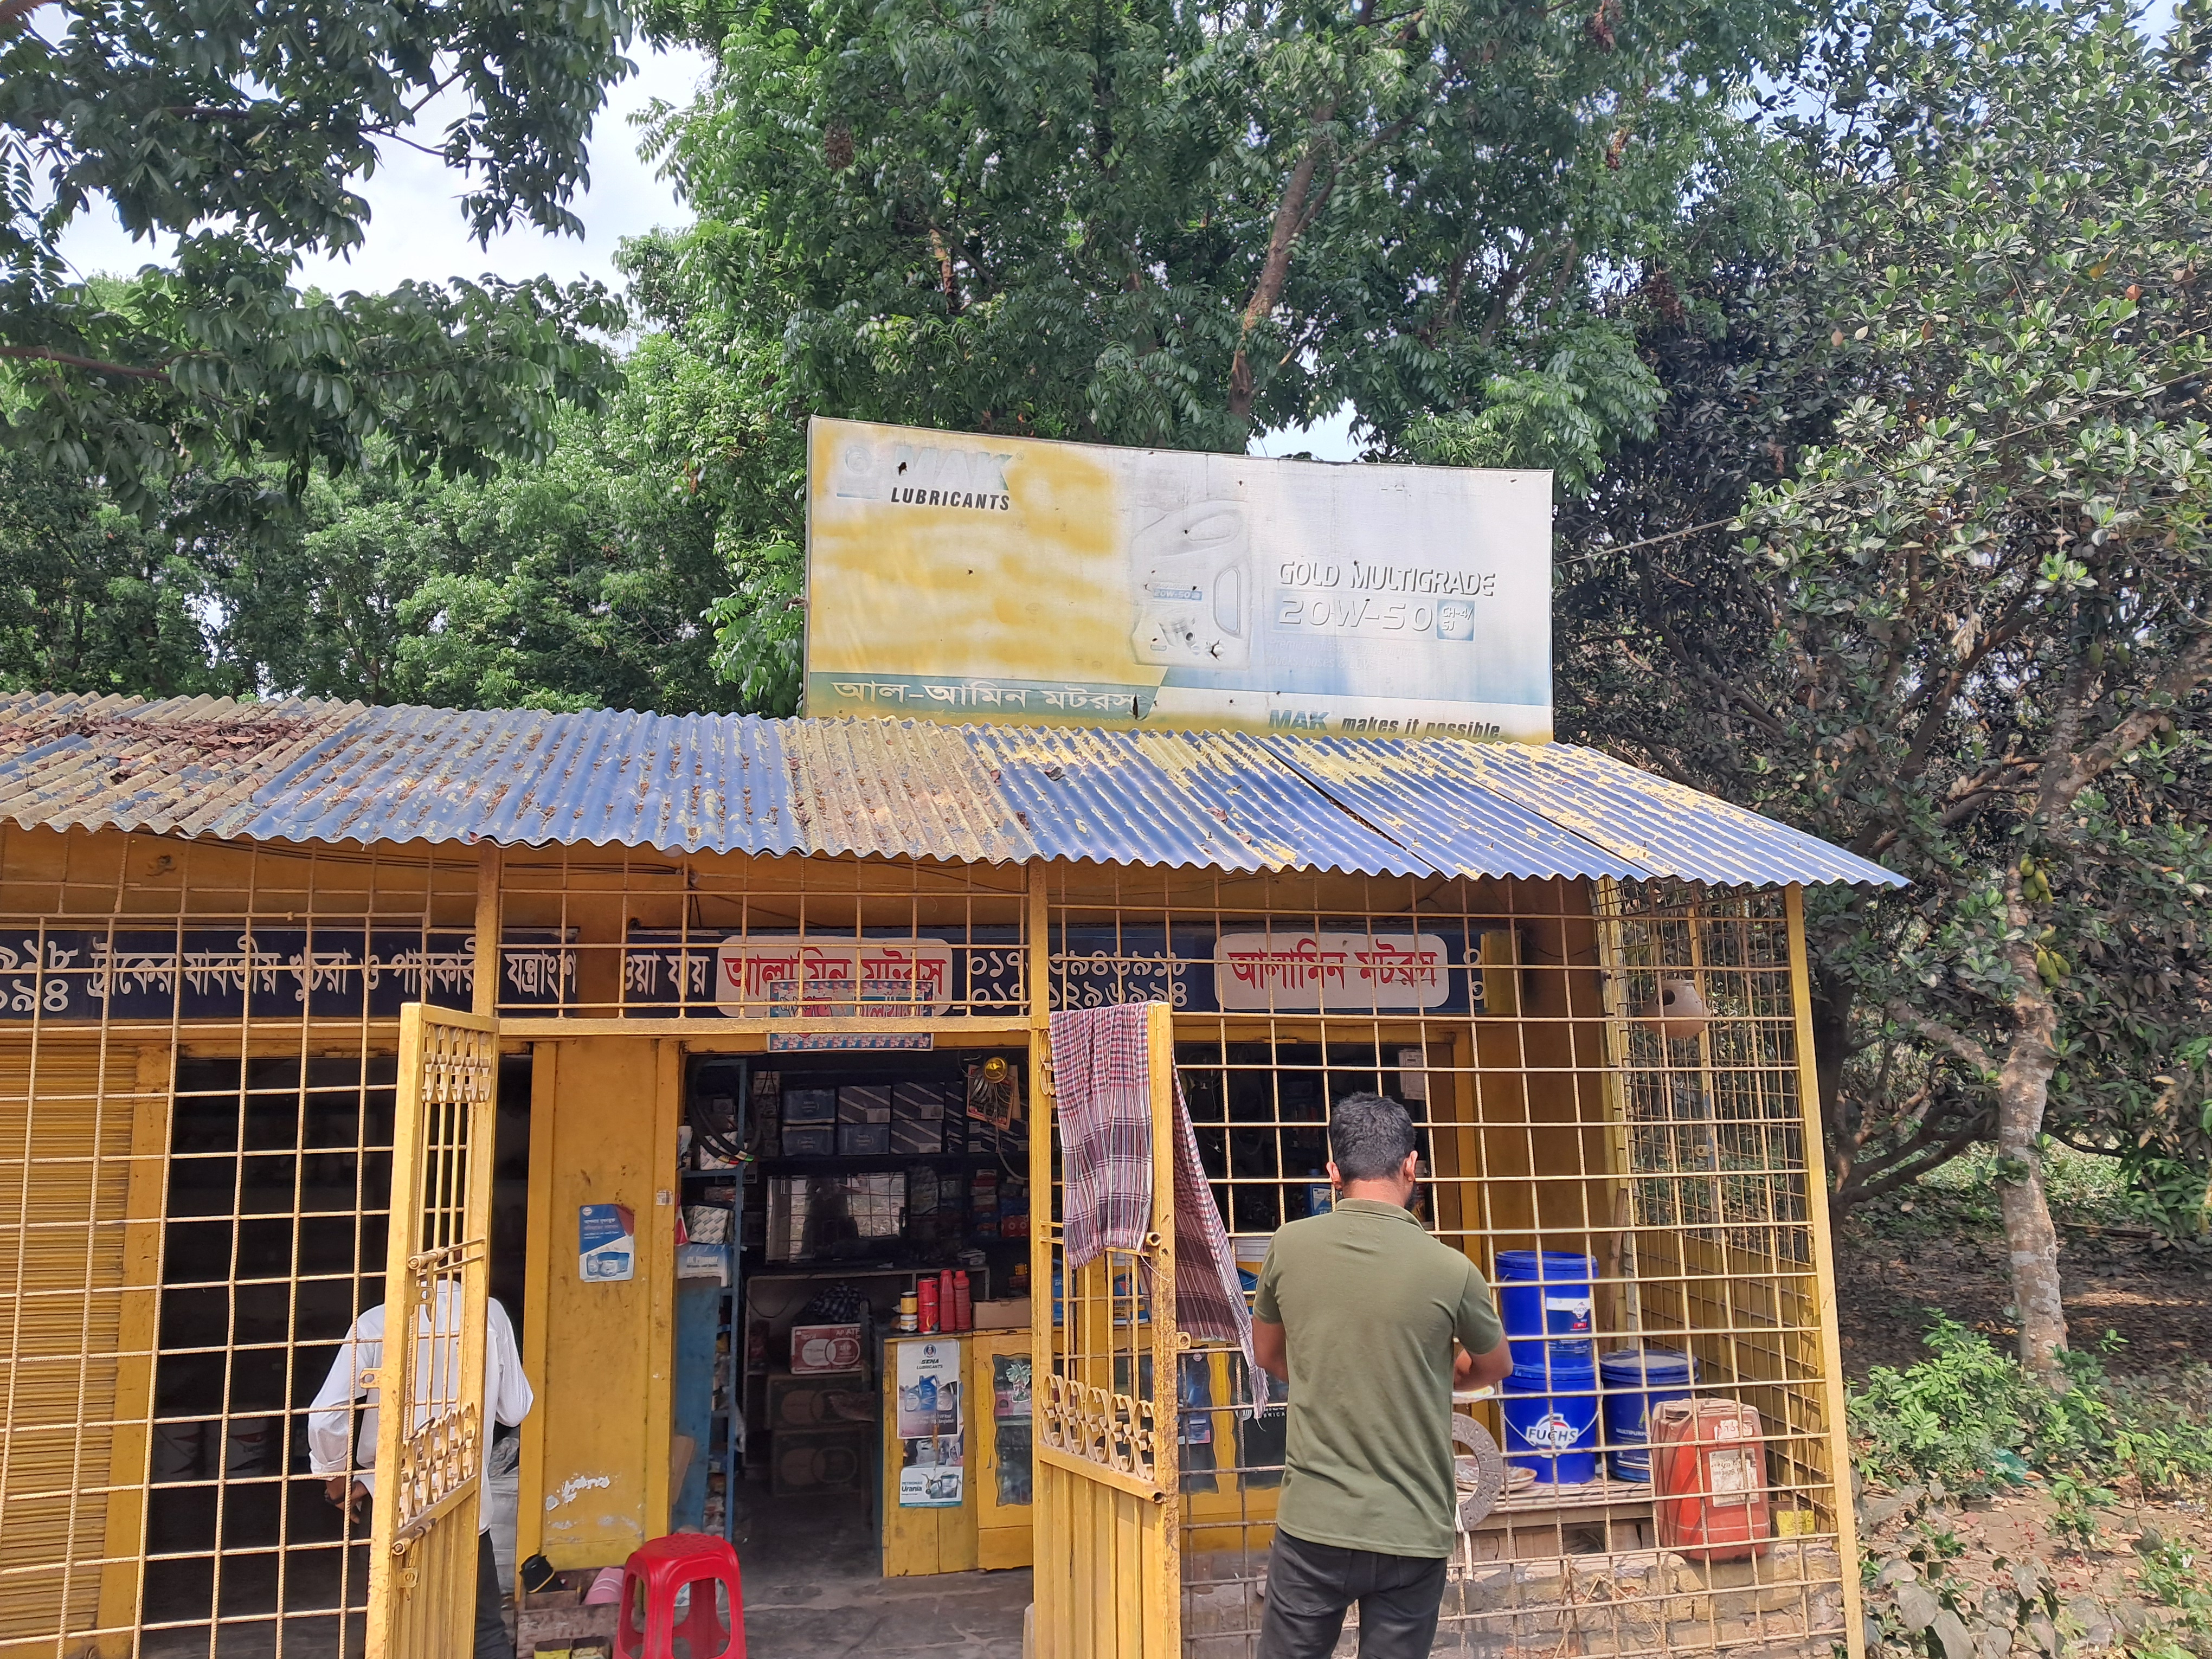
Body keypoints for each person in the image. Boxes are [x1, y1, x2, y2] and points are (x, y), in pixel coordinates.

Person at [1251, 1092, 1513, 1659]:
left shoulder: (1288, 1246)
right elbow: (1495, 1367)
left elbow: (1268, 1355)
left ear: (1333, 1172)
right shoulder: (1452, 1269)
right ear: (1412, 1167)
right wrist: (1429, 1374)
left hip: (1315, 1523)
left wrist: (1329, 1369)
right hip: (1412, 1528)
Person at [308, 1284, 532, 1659]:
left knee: (396, 1633)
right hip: (465, 1499)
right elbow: (515, 1409)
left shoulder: (377, 1322)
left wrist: (335, 1481)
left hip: (394, 1502)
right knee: (483, 1631)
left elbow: (324, 1418)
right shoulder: (489, 1313)